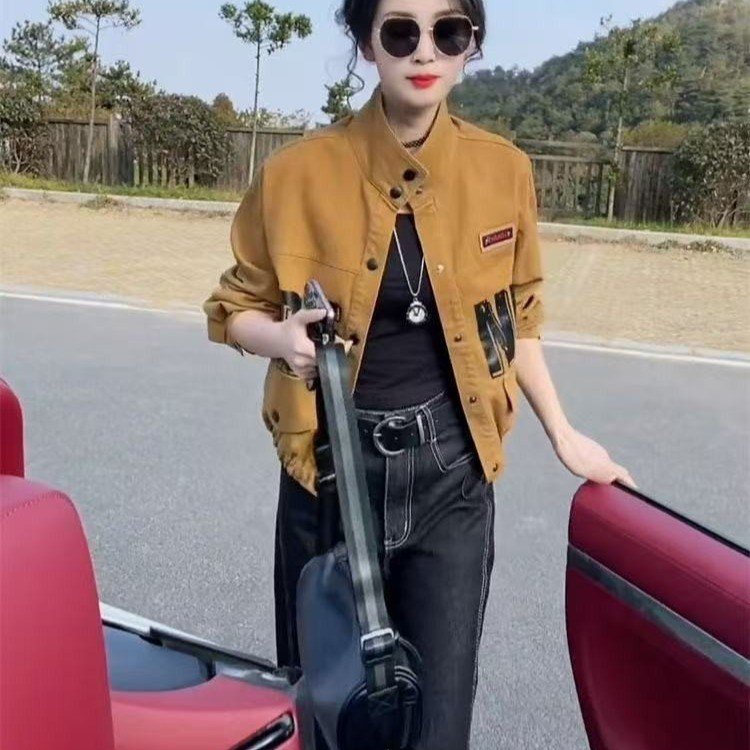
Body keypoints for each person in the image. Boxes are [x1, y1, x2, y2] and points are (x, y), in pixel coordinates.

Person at [203, 1, 637, 747]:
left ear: (472, 45)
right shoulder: (295, 174)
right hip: (330, 473)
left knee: (439, 720)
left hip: (453, 476)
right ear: (366, 43)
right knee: (331, 713)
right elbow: (231, 307)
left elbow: (516, 321)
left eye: (449, 31)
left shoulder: (502, 170)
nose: (425, 51)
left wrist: (565, 435)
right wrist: (280, 338)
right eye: (400, 31)